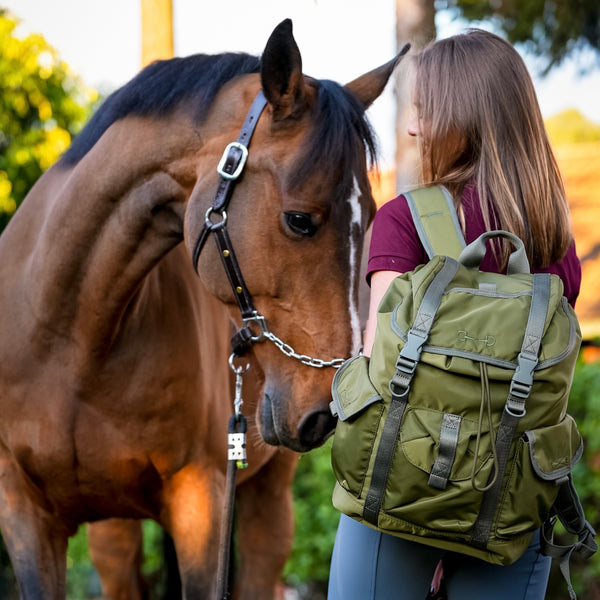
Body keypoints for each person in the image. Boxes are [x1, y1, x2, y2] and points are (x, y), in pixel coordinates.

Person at [328, 28, 581, 600]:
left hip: (397, 493)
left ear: (460, 118)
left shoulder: (402, 220)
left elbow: (379, 366)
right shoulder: (554, 242)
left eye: (424, 110)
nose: (413, 127)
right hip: (509, 505)